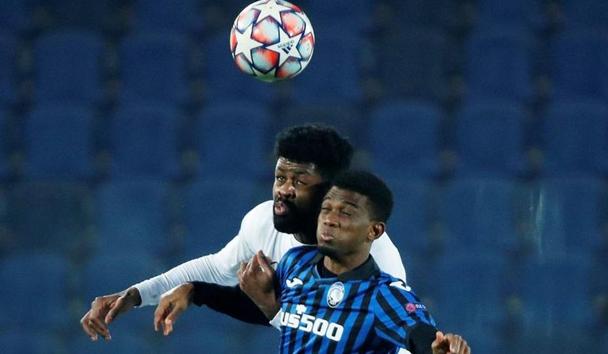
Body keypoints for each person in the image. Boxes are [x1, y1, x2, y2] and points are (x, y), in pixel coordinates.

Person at [80, 124, 406, 341]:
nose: (284, 191)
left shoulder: (374, 258)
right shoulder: (262, 223)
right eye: (280, 178)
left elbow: (392, 340)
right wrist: (135, 295)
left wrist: (269, 308)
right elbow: (217, 268)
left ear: (330, 190)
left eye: (300, 181)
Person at [155, 170, 470, 353]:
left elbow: (419, 335)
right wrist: (195, 291)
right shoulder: (296, 263)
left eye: (345, 212)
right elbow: (263, 306)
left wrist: (438, 349)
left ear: (374, 230)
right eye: (326, 209)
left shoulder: (384, 295)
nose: (330, 220)